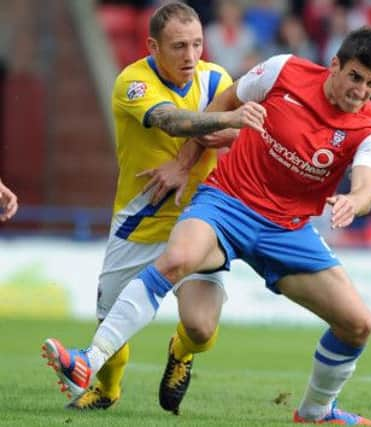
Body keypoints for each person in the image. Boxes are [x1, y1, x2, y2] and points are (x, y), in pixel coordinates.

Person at [43, 26, 371, 425]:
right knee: (177, 258)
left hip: (286, 230)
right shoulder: (283, 71)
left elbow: (367, 185)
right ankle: (89, 361)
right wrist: (183, 164)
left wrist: (354, 200)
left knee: (358, 324)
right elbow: (219, 106)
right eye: (355, 77)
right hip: (227, 202)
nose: (360, 91)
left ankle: (316, 412)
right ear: (335, 65)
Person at [58, 2, 265, 414]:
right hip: (141, 220)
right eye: (178, 46)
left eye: (197, 44)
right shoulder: (132, 82)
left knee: (202, 330)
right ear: (153, 46)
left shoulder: (215, 79)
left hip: (199, 221)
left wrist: (193, 156)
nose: (191, 56)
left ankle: (181, 352)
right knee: (110, 327)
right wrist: (226, 123)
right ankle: (108, 389)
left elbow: (232, 138)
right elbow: (173, 121)